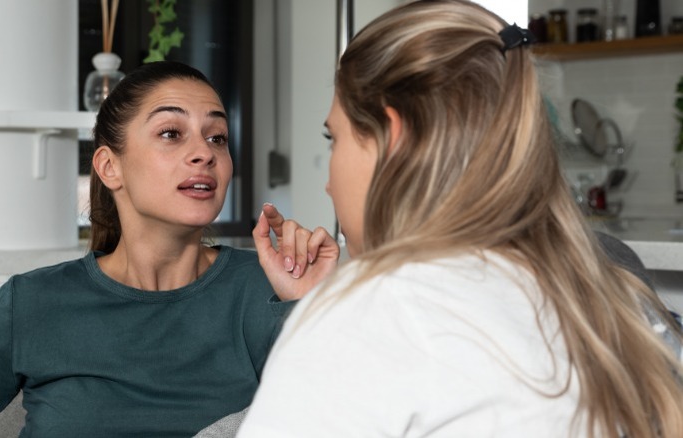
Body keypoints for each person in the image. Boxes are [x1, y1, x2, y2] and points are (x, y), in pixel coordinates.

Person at [238, 1, 683, 436]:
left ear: (393, 140)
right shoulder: (616, 293)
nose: (329, 184)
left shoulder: (377, 313)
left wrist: (328, 315)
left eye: (332, 138)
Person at [0, 61, 305, 437]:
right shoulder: (33, 302)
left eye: (217, 137)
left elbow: (339, 413)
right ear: (110, 167)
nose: (205, 153)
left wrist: (304, 303)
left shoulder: (269, 288)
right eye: (171, 133)